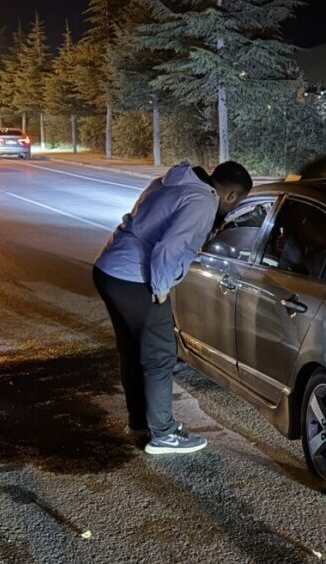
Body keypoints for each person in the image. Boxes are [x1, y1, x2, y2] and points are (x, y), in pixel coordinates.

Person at [93, 160, 252, 455]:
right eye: (237, 203)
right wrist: (161, 287)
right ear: (231, 196)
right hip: (134, 278)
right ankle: (163, 434)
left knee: (132, 351)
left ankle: (141, 422)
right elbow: (168, 248)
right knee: (160, 355)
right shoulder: (204, 201)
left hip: (109, 268)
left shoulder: (175, 181)